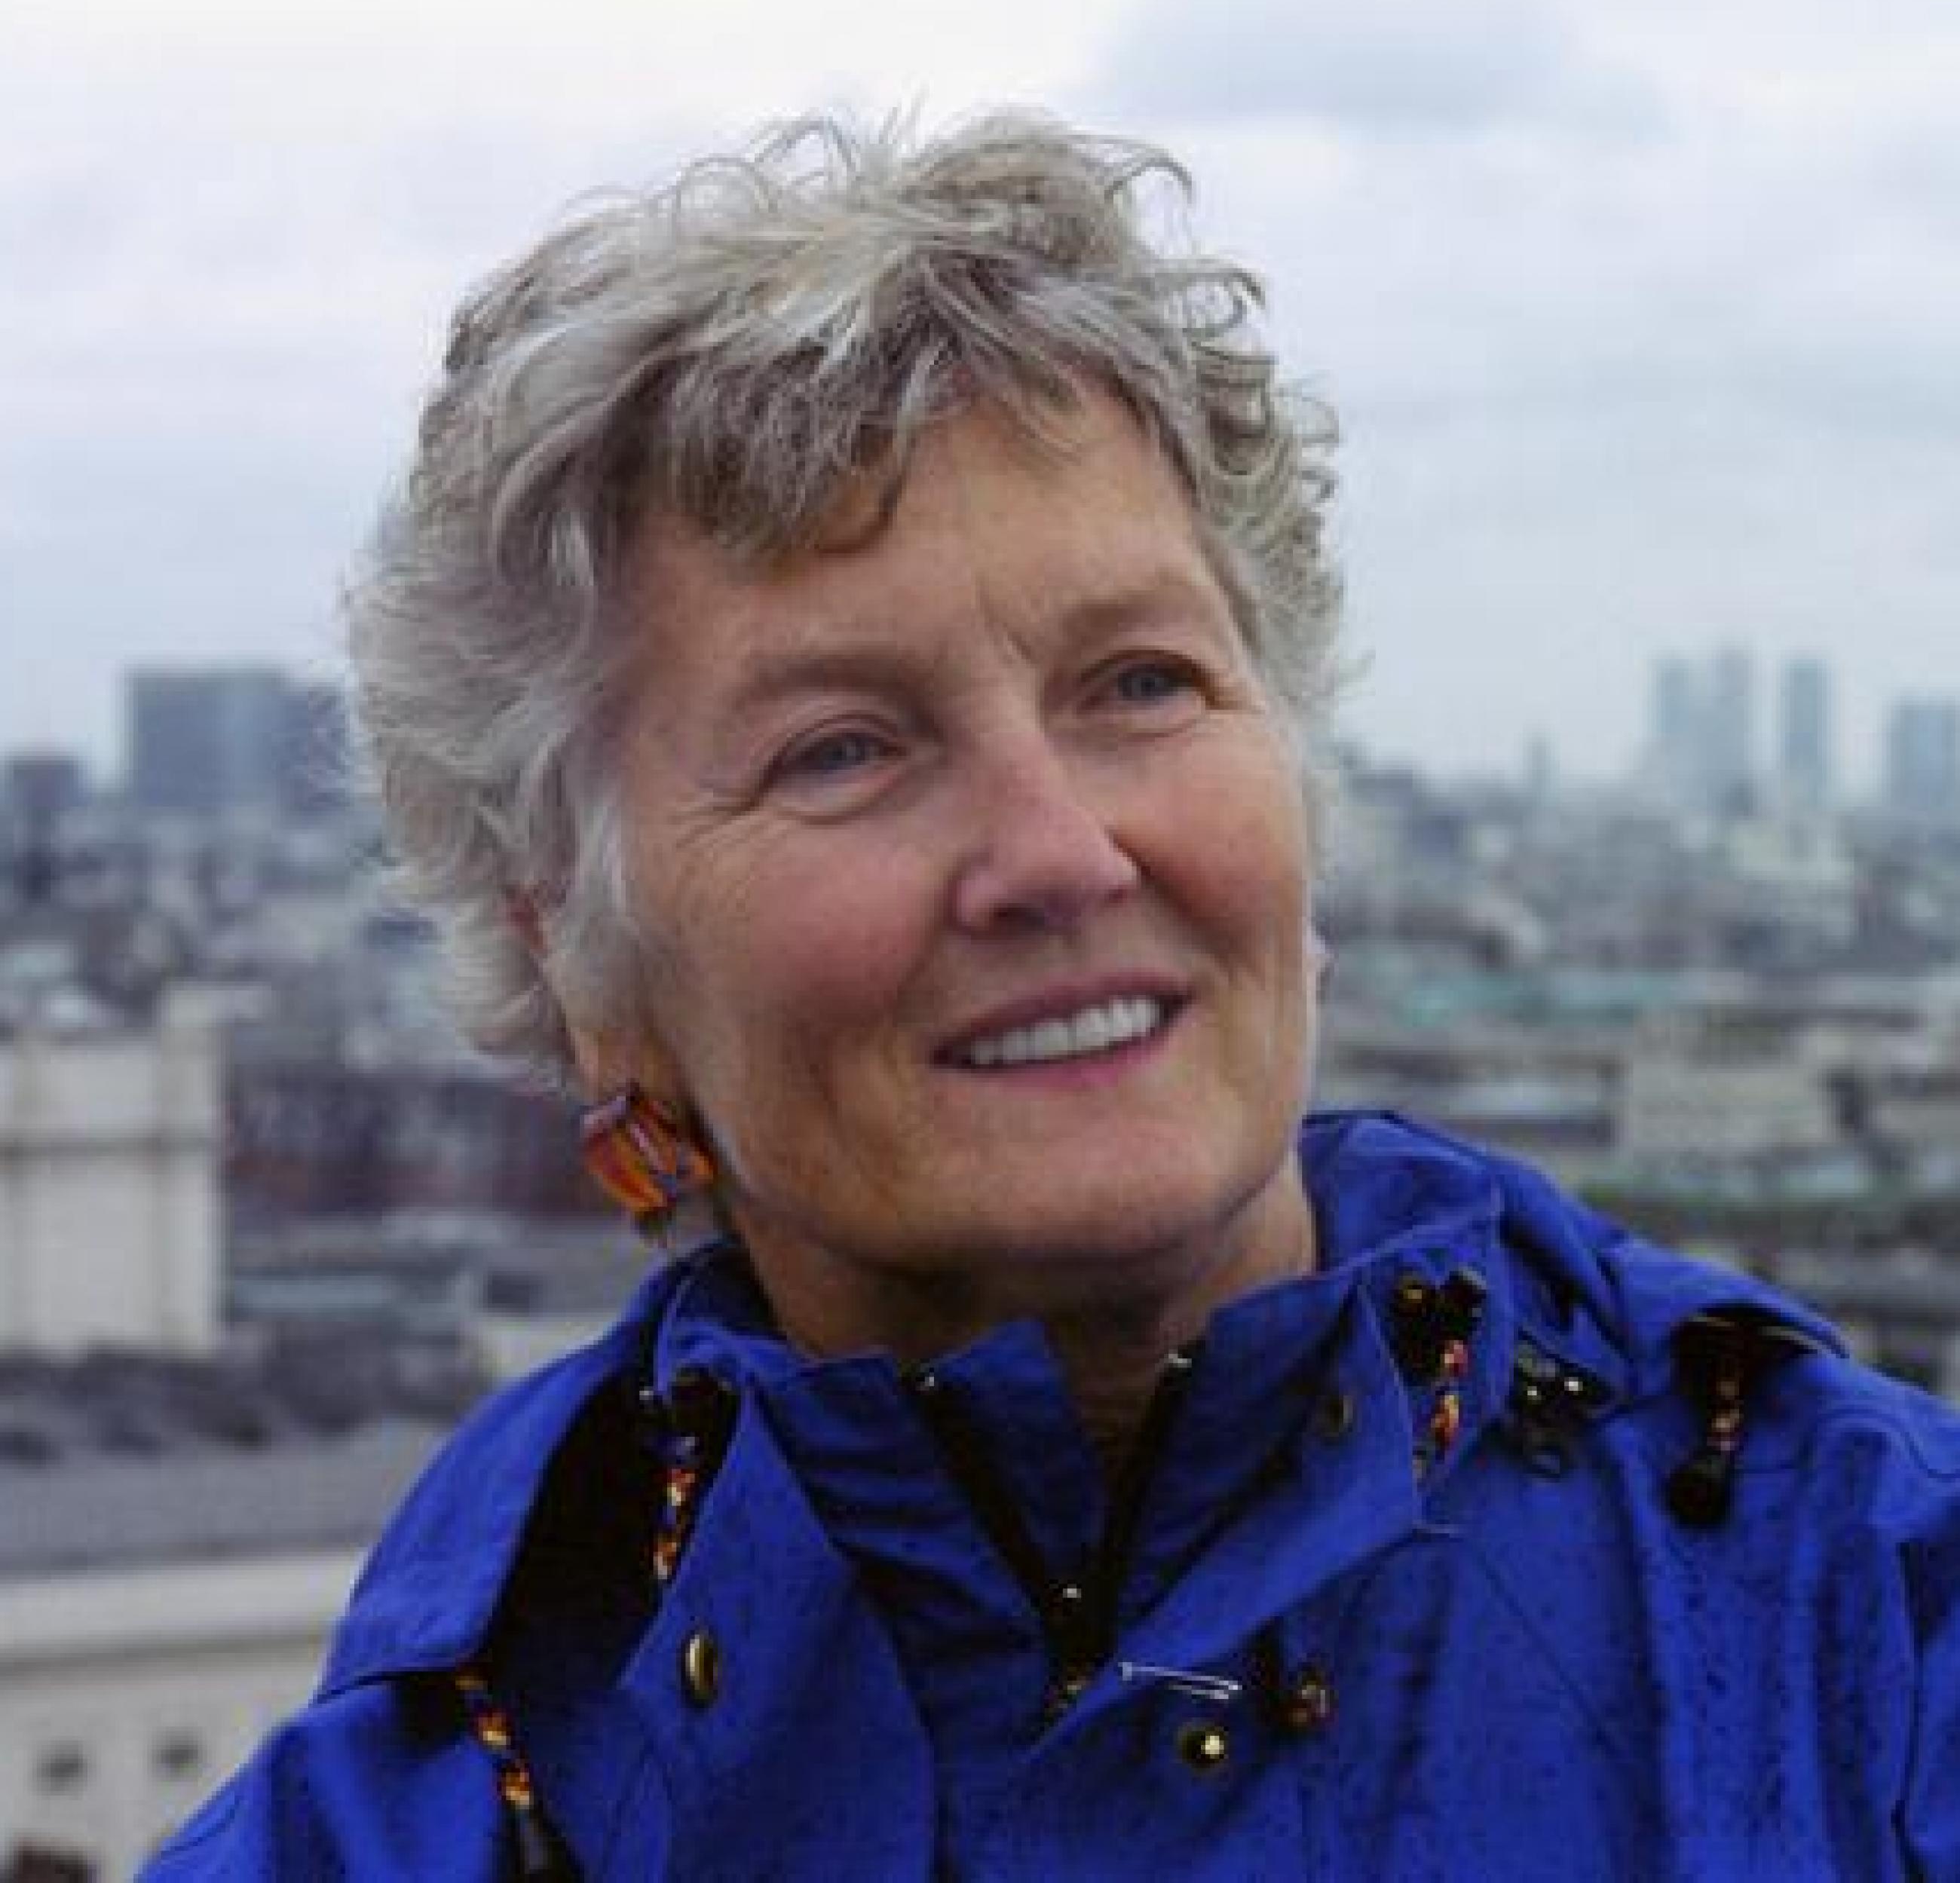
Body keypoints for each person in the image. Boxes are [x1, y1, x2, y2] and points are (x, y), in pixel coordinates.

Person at [146, 111, 1958, 1881]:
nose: (1060, 849)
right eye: (841, 747)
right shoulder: (422, 1804)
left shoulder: (1882, 1611)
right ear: (577, 959)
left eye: (1144, 684)